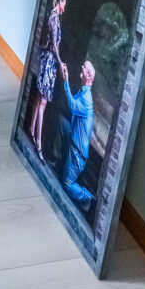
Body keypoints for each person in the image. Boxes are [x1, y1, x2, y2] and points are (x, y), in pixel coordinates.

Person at [29, 0, 66, 161]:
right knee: (43, 101)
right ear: (60, 1)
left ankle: (31, 129)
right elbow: (54, 47)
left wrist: (59, 62)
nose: (65, 6)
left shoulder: (56, 18)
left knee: (39, 98)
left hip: (51, 61)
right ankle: (38, 142)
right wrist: (60, 64)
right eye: (64, 2)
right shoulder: (53, 18)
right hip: (49, 61)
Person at [57, 59, 96, 210]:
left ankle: (89, 199)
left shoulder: (87, 100)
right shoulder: (83, 92)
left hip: (77, 153)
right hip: (72, 138)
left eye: (84, 67)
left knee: (67, 184)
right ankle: (57, 159)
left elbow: (72, 106)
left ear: (87, 75)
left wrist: (65, 80)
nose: (81, 66)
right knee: (61, 122)